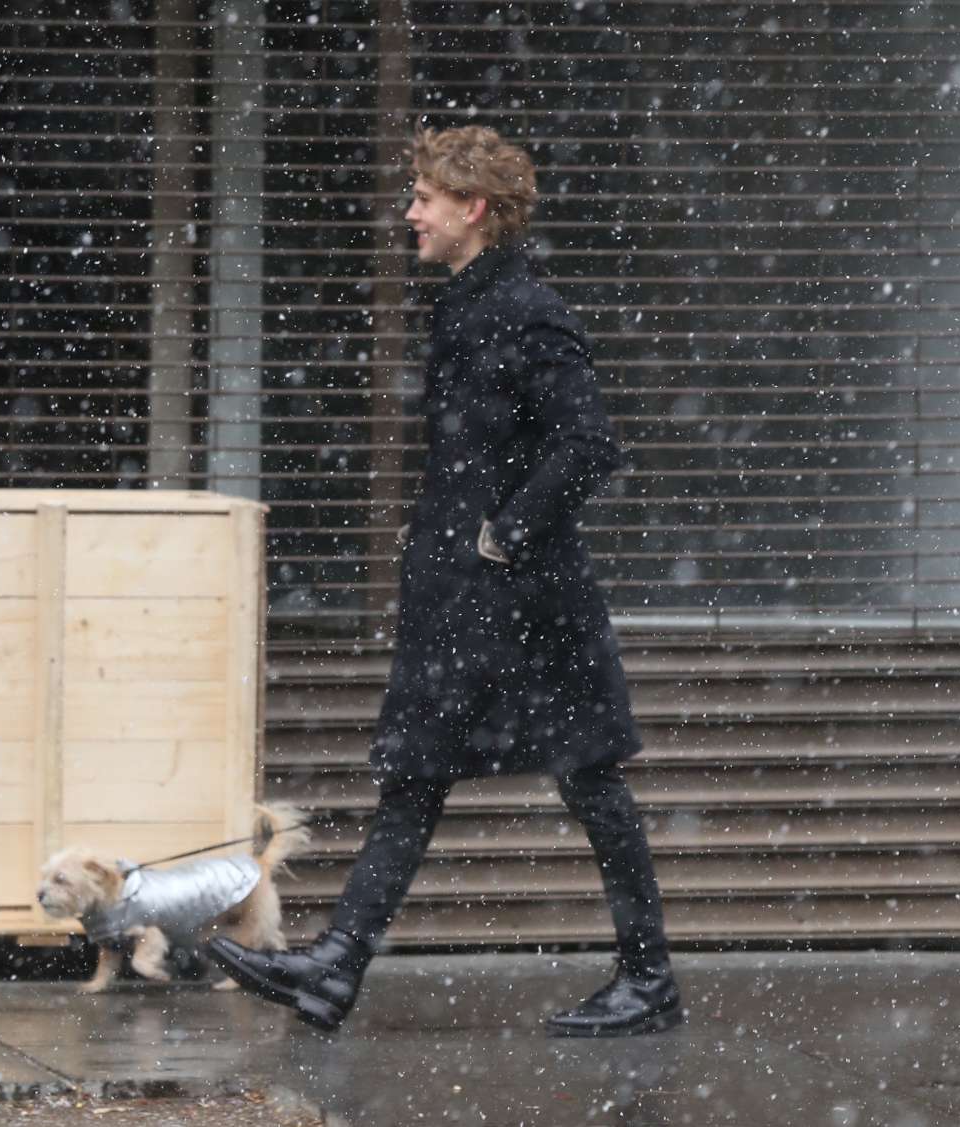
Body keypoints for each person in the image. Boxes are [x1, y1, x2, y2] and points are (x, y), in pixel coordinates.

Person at [207, 126, 682, 1037]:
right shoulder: (466, 306)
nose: (410, 212)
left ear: (474, 209)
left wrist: (505, 532)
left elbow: (589, 444)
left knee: (590, 781)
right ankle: (334, 968)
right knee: (416, 778)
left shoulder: (526, 309)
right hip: (469, 602)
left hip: (531, 604)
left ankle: (649, 980)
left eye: (425, 197)